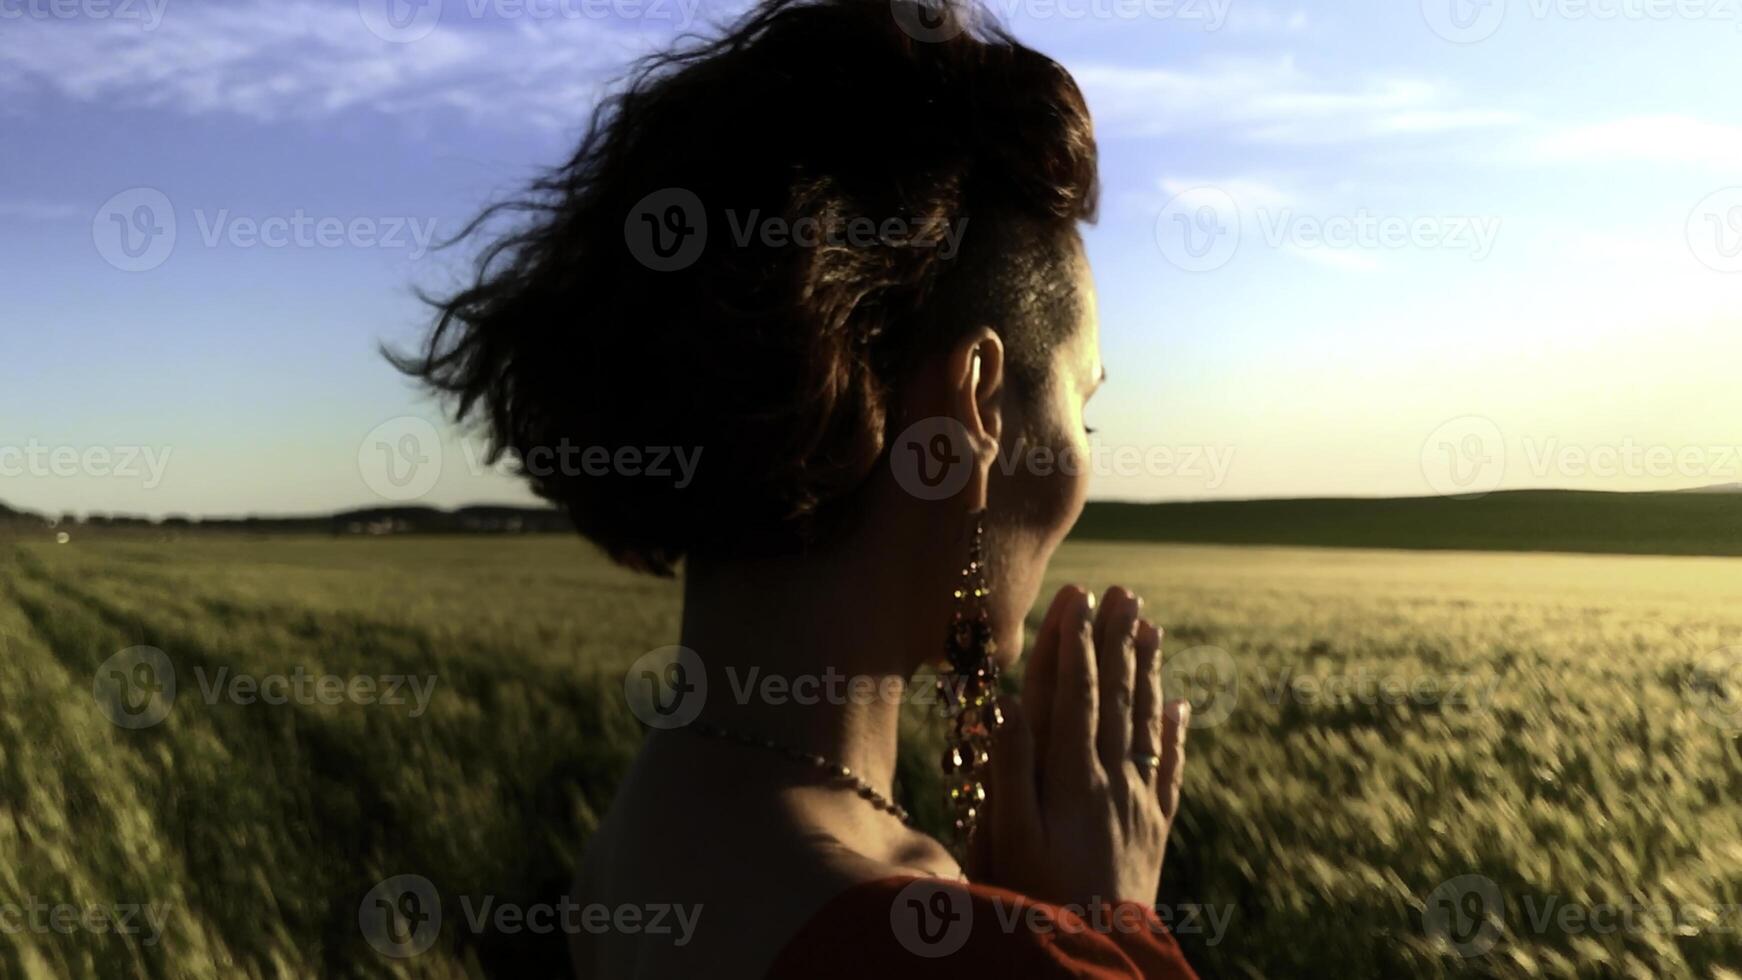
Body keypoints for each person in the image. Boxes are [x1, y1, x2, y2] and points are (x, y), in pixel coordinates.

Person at [393, 0, 1198, 975]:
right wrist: (1105, 933)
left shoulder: (654, 824)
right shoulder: (900, 928)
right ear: (971, 413)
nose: (1081, 461)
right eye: (1083, 407)